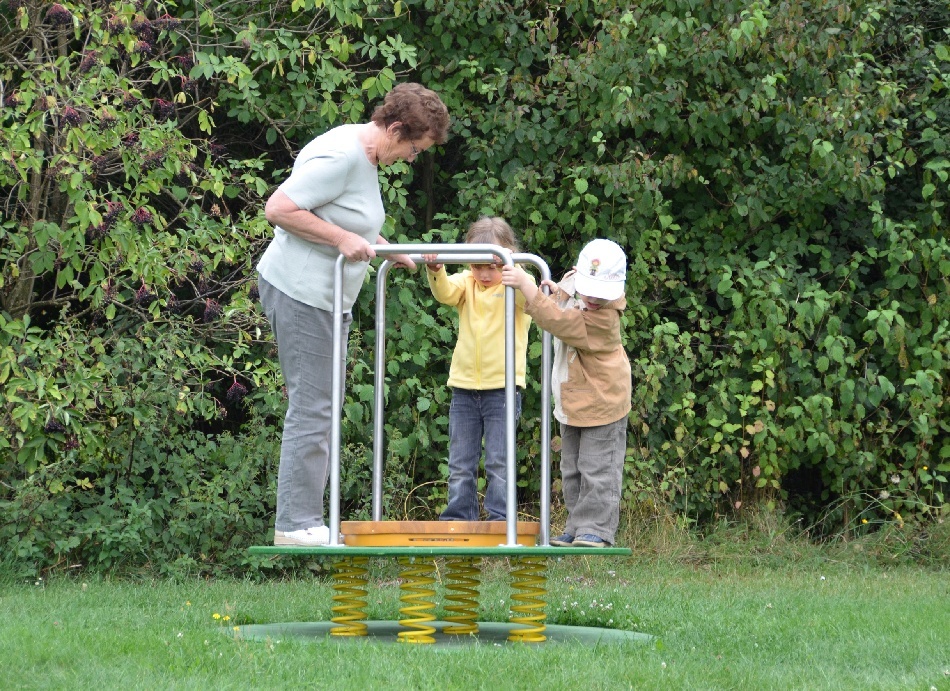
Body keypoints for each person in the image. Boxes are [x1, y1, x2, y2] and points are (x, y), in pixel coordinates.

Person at [257, 83, 450, 546]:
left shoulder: (365, 156)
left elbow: (345, 220)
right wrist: (342, 242)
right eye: (413, 148)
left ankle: (302, 519)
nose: (411, 158)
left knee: (321, 406)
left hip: (327, 298)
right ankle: (296, 524)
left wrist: (389, 250)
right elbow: (279, 208)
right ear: (396, 128)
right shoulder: (344, 155)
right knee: (314, 408)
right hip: (303, 293)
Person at [501, 239, 631, 547]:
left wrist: (527, 286)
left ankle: (596, 529)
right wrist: (558, 289)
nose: (594, 299)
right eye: (590, 290)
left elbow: (556, 319)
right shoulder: (582, 293)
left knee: (597, 468)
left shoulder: (603, 319)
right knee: (571, 468)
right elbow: (568, 291)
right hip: (574, 402)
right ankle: (576, 526)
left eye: (602, 295)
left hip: (603, 404)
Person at [422, 217, 534, 521]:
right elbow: (445, 292)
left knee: (499, 460)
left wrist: (518, 273)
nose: (484, 274)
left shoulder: (516, 284)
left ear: (508, 259)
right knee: (460, 461)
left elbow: (533, 300)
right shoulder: (466, 283)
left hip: (503, 387)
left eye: (492, 266)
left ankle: (500, 519)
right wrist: (436, 269)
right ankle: (459, 518)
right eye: (477, 266)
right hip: (464, 387)